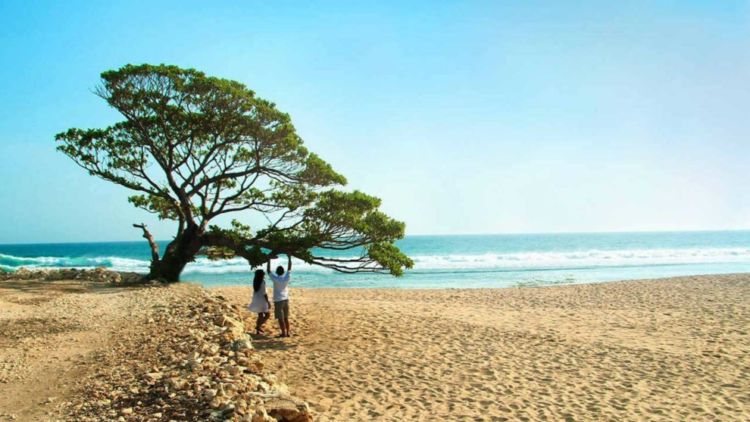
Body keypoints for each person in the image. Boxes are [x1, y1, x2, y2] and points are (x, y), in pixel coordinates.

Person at [267, 254, 292, 337]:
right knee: (286, 318)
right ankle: (288, 332)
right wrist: (289, 258)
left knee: (280, 318)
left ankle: (283, 333)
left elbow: (268, 271)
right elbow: (289, 269)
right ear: (283, 271)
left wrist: (269, 260)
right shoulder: (286, 278)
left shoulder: (275, 279)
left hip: (278, 300)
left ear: (277, 272)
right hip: (286, 299)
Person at [247, 269, 271, 335]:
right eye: (263, 274)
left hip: (256, 299)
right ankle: (258, 327)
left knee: (260, 315)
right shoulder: (263, 281)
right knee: (267, 315)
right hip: (262, 300)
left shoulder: (255, 281)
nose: (264, 275)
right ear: (262, 275)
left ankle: (258, 330)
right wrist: (268, 301)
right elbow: (264, 293)